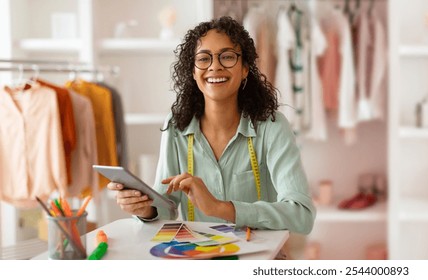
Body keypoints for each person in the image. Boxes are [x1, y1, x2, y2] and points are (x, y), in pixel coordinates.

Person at [107, 16, 315, 235]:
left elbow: (302, 216)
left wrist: (219, 208)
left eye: (227, 57)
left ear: (245, 68)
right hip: (199, 257)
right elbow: (165, 206)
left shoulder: (271, 127)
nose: (215, 66)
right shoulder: (177, 125)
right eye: (204, 59)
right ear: (193, 72)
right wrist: (144, 208)